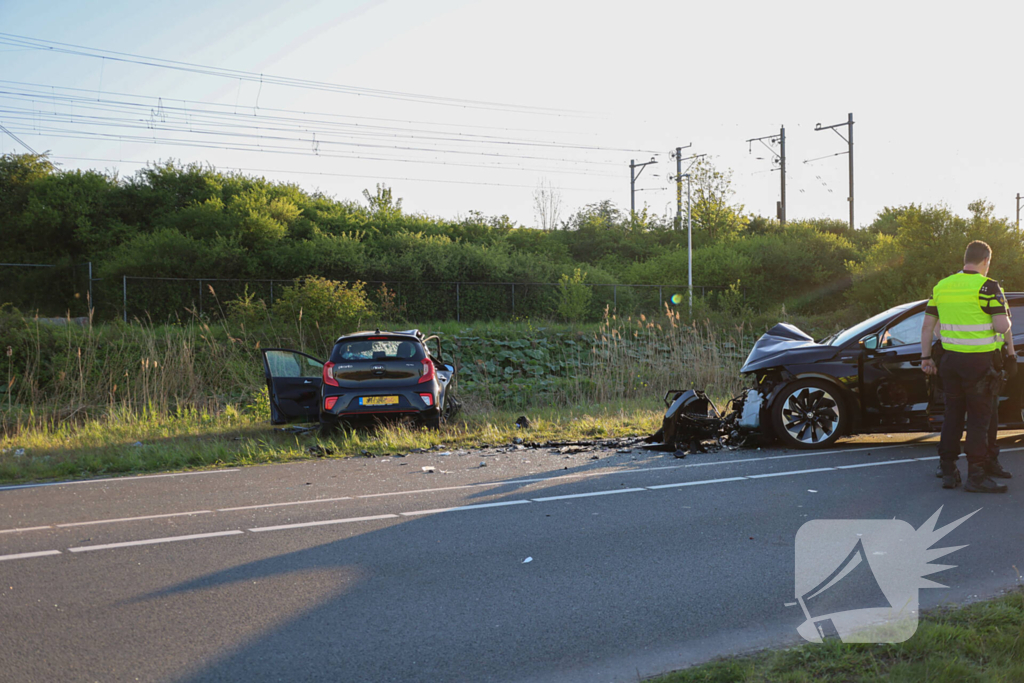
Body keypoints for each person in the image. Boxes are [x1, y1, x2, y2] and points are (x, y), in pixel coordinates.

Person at [921, 240, 1015, 493]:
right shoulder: (988, 286)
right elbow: (1001, 327)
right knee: (978, 421)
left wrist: (925, 358)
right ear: (986, 261)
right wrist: (1005, 316)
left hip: (950, 362)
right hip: (979, 364)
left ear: (966, 259)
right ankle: (976, 476)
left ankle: (949, 471)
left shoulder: (942, 286)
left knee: (952, 415)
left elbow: (928, 326)